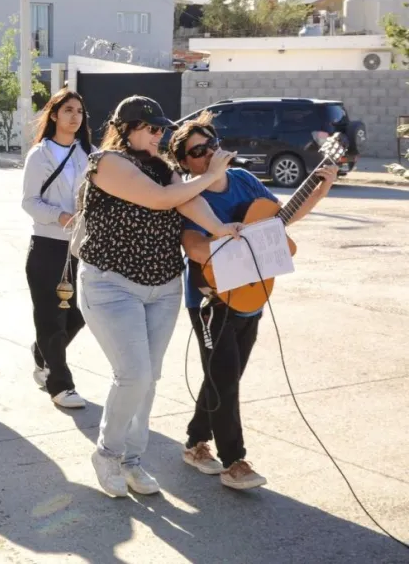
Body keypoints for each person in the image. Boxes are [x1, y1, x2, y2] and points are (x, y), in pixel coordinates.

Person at [77, 96, 241, 499]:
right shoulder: (107, 163)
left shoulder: (163, 169)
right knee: (133, 374)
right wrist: (210, 173)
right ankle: (108, 453)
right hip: (111, 285)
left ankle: (132, 460)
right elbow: (159, 199)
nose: (158, 136)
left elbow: (188, 199)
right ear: (126, 128)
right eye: (151, 129)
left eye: (161, 130)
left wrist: (221, 229)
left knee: (148, 379)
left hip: (163, 287)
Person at [170, 111, 338, 491]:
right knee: (225, 377)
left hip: (252, 295)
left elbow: (277, 221)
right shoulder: (187, 194)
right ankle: (234, 461)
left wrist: (319, 190)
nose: (208, 152)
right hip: (210, 301)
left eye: (211, 143)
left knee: (224, 376)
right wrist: (227, 243)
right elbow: (193, 247)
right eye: (198, 151)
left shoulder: (245, 180)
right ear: (184, 162)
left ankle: (196, 442)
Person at [21, 88, 94, 410]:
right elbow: (29, 202)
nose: (74, 116)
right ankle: (60, 385)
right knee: (51, 316)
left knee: (78, 315)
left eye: (79, 110)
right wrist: (60, 215)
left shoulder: (88, 153)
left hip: (80, 246)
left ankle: (42, 353)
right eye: (68, 110)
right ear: (54, 114)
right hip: (48, 245)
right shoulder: (41, 154)